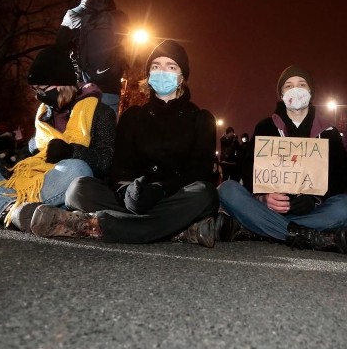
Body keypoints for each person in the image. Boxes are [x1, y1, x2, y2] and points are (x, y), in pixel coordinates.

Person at [30, 39, 220, 247]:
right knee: (79, 188)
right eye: (156, 66)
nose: (162, 71)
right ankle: (175, 230)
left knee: (205, 195)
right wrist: (127, 191)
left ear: (182, 75)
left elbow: (199, 172)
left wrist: (161, 189)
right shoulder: (133, 117)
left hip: (173, 198)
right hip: (133, 200)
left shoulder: (201, 119)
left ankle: (100, 225)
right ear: (148, 75)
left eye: (171, 66)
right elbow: (119, 168)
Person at [0, 45, 116, 231]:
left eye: (41, 89)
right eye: (35, 89)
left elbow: (105, 162)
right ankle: (14, 210)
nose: (38, 95)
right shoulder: (43, 114)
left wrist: (72, 151)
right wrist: (12, 159)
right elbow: (31, 151)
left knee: (77, 168)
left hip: (61, 182)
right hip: (30, 179)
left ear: (62, 85)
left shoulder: (100, 112)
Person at [216, 65, 347, 255]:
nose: (295, 90)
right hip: (271, 210)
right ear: (281, 94)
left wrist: (316, 199)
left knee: (346, 206)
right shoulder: (265, 127)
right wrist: (263, 198)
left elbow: (340, 179)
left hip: (312, 211)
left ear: (310, 92)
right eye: (288, 85)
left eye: (301, 84)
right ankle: (307, 235)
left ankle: (261, 231)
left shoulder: (329, 132)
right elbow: (249, 170)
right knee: (227, 189)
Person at [56, 0, 128, 116]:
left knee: (76, 133)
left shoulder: (74, 14)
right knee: (105, 132)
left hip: (81, 87)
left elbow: (60, 46)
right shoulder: (118, 18)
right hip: (110, 88)